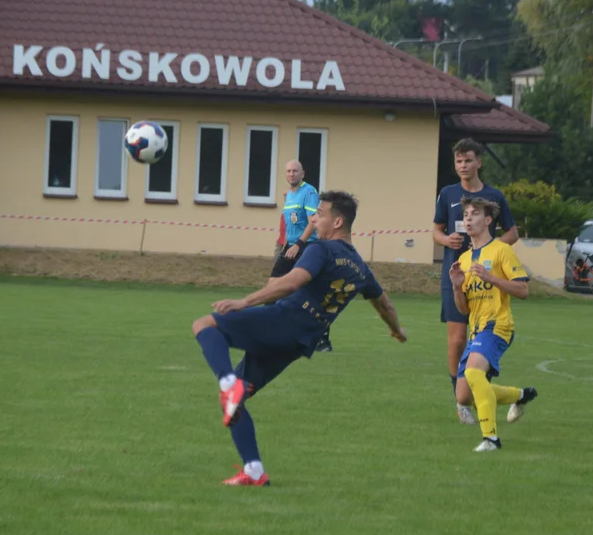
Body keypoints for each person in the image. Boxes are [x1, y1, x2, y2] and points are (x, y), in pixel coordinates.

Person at [192, 190, 407, 486]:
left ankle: (230, 384)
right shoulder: (360, 268)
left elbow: (292, 282)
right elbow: (385, 304)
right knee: (234, 404)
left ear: (337, 221)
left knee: (204, 325)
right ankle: (254, 471)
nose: (314, 218)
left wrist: (245, 301)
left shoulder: (322, 249)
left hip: (284, 321)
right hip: (299, 342)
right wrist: (396, 329)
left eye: (320, 213)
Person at [433, 138, 518, 423]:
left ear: (479, 162)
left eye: (468, 160)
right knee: (457, 340)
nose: (463, 166)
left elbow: (513, 233)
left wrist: (489, 250)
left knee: (484, 333)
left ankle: (479, 389)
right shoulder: (447, 193)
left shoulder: (494, 196)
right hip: (457, 277)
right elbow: (436, 231)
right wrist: (446, 239)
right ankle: (461, 401)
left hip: (487, 281)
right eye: (458, 161)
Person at [449, 196, 537, 452]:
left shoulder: (501, 250)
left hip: (497, 325)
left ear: (488, 220)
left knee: (475, 374)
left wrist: (491, 277)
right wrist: (457, 288)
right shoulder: (464, 259)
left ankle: (491, 440)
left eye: (474, 213)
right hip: (476, 329)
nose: (468, 218)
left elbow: (523, 290)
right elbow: (464, 309)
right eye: (465, 214)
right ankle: (522, 395)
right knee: (464, 396)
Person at [268, 159, 332, 353]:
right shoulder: (290, 195)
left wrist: (299, 244)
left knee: (310, 294)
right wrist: (288, 243)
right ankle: (268, 332)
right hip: (291, 246)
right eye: (288, 171)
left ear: (302, 174)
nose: (291, 174)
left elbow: (313, 221)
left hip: (307, 247)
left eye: (295, 171)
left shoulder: (309, 192)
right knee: (274, 286)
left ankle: (322, 340)